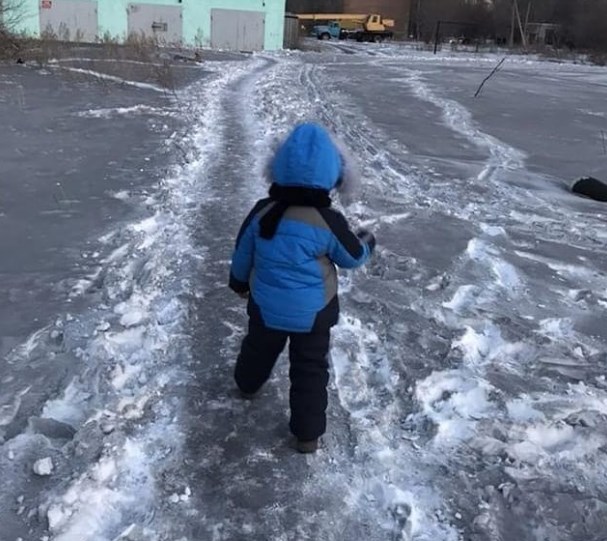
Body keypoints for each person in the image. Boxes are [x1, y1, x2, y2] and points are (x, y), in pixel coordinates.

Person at [228, 122, 376, 454]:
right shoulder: (328, 221)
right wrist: (368, 241)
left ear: (278, 168)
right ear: (332, 175)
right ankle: (307, 435)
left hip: (266, 308)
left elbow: (242, 254)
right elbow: (351, 256)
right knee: (310, 369)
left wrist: (238, 283)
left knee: (258, 349)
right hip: (313, 314)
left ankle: (247, 385)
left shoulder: (262, 212)